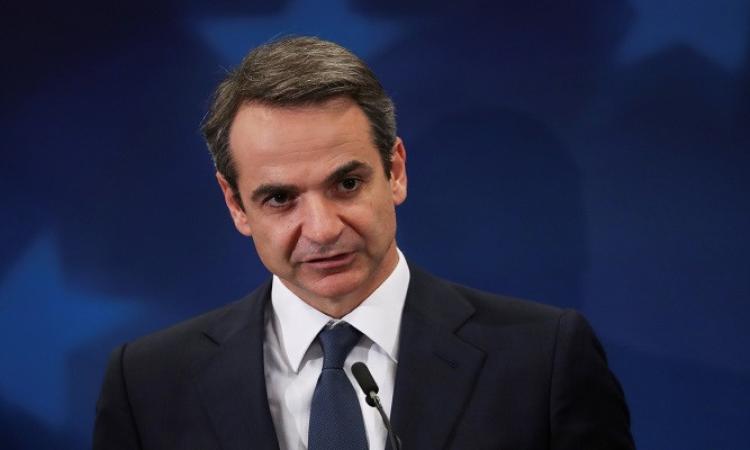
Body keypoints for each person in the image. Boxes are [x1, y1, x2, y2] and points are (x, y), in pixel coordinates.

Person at [93, 36, 634, 450]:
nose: (322, 228)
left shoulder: (542, 359)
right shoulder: (148, 384)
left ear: (395, 171)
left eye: (347, 184)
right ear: (235, 204)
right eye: (280, 198)